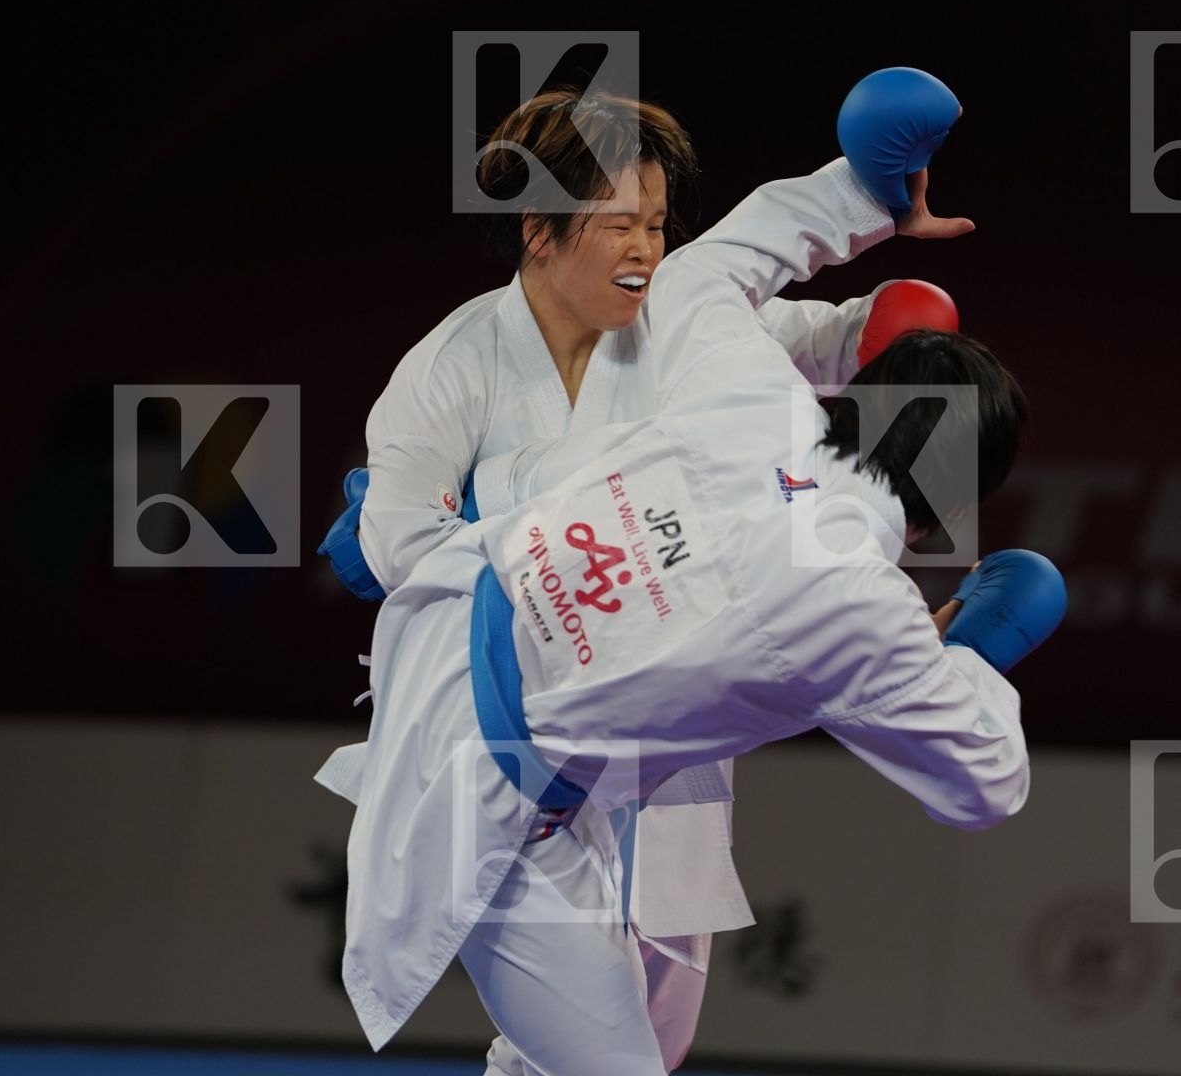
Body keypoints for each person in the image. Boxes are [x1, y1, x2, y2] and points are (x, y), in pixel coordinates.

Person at [317, 150, 1066, 1072]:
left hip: (454, 620)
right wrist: (973, 654)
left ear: (854, 403)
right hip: (489, 772)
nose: (642, 246)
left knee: (635, 1037)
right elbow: (986, 785)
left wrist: (862, 186)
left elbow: (714, 268)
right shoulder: (869, 615)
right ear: (950, 508)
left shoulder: (755, 396)